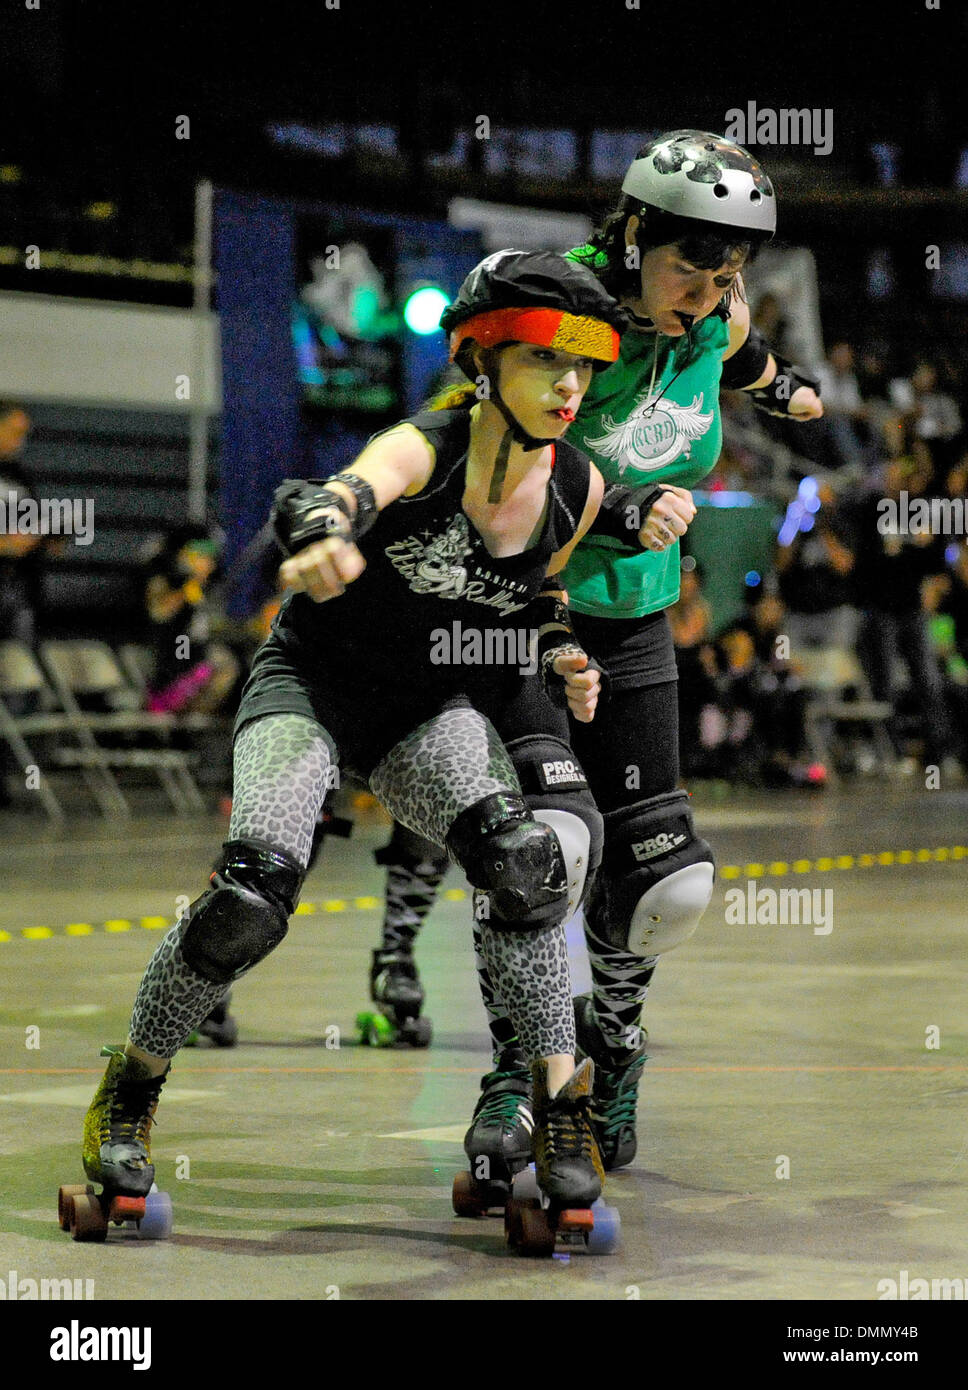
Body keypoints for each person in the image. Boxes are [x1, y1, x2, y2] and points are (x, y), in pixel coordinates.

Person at [76, 250, 631, 1219]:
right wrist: (323, 529)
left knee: (521, 859)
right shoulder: (428, 445)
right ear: (480, 359)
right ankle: (130, 1086)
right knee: (252, 893)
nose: (570, 385)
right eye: (546, 360)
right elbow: (340, 490)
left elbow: (535, 591)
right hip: (313, 687)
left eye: (584, 364)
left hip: (420, 711)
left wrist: (560, 656)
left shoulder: (574, 488)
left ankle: (557, 1100)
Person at [377, 130, 825, 1174]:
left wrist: (778, 384)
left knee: (662, 881)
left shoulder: (710, 315)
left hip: (633, 624)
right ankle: (514, 1070)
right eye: (688, 268)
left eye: (728, 274)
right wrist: (612, 506)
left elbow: (735, 351)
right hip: (527, 616)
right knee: (539, 854)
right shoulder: (559, 307)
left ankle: (615, 1048)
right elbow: (478, 423)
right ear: (630, 235)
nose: (709, 293)